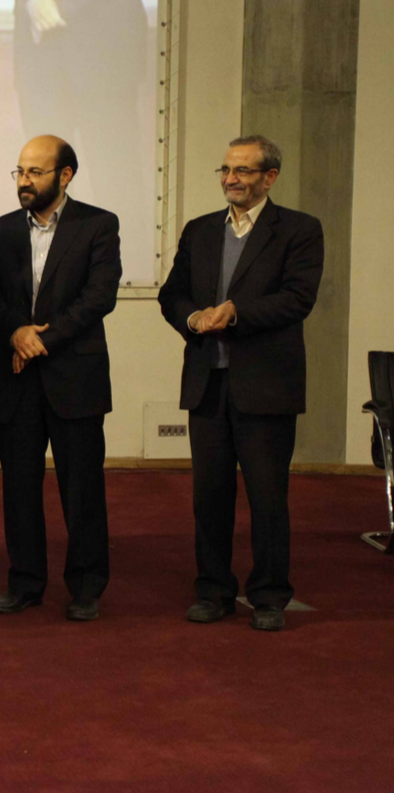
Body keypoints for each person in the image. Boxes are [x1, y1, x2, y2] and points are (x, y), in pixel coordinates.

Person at [158, 135, 324, 632]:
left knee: (267, 496)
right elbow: (173, 294)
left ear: (269, 177)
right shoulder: (201, 231)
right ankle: (213, 591)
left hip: (266, 385)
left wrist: (235, 313)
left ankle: (270, 595)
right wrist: (192, 319)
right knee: (209, 495)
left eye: (243, 171)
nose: (231, 179)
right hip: (207, 381)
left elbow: (298, 299)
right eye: (226, 169)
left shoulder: (298, 230)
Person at [0, 135, 121, 622]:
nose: (24, 181)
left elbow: (99, 296)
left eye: (34, 172)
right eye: (19, 171)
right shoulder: (0, 231)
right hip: (16, 375)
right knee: (19, 487)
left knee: (82, 488)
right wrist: (16, 331)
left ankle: (86, 585)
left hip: (74, 375)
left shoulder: (98, 225)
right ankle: (25, 582)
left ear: (65, 175)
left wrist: (43, 340)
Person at [0, 0, 152, 246]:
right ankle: (51, 281)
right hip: (39, 45)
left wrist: (62, 5)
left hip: (105, 41)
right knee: (44, 181)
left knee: (115, 174)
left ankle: (128, 277)